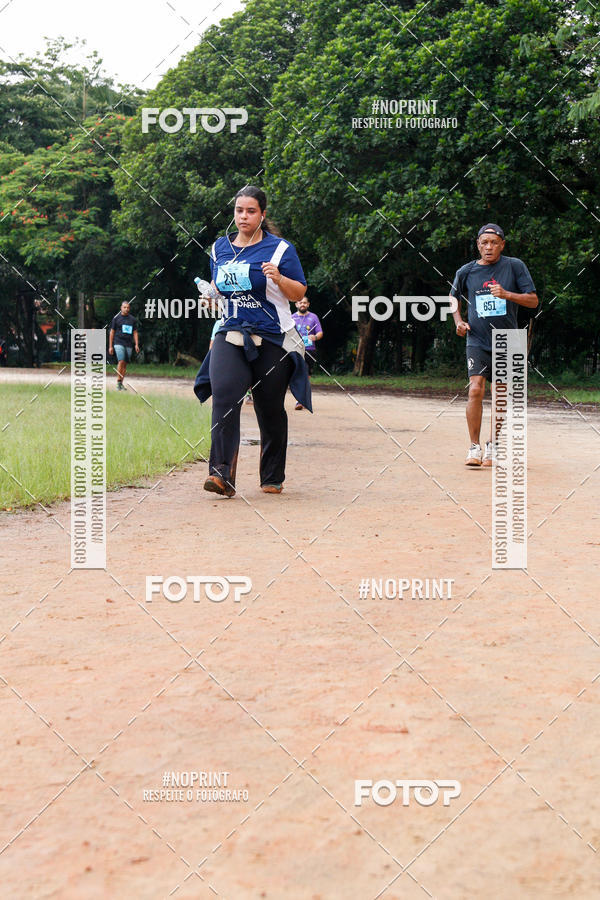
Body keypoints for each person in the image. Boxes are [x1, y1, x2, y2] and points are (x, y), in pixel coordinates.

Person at [194, 185, 310, 497]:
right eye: (239, 211)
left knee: (270, 407)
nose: (243, 217)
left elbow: (299, 293)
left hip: (273, 336)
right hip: (231, 331)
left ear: (262, 214)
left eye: (250, 211)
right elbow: (221, 294)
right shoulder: (220, 249)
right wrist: (211, 298)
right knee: (225, 396)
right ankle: (220, 475)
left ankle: (272, 476)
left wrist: (279, 278)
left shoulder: (280, 250)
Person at [451, 223, 538, 467]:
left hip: (507, 339)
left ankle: (493, 446)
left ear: (502, 245)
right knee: (475, 389)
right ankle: (474, 447)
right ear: (478, 245)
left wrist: (508, 294)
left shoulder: (514, 266)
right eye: (483, 243)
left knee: (500, 394)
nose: (488, 247)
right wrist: (458, 321)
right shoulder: (466, 271)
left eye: (493, 243)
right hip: (477, 338)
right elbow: (452, 297)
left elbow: (533, 300)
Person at [292, 297, 323, 410]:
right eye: (300, 303)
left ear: (308, 304)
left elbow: (320, 332)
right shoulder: (292, 318)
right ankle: (299, 400)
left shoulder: (313, 317)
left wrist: (314, 337)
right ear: (296, 304)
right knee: (298, 373)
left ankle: (302, 399)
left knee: (306, 375)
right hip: (296, 349)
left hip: (309, 350)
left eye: (304, 303)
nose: (302, 304)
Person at [109, 301, 139, 391]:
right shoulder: (116, 319)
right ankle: (118, 381)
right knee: (121, 361)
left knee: (125, 364)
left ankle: (121, 383)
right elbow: (112, 332)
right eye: (124, 307)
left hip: (129, 343)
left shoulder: (132, 320)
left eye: (128, 308)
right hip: (118, 342)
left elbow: (135, 332)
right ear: (121, 308)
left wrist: (136, 344)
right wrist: (110, 346)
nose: (126, 309)